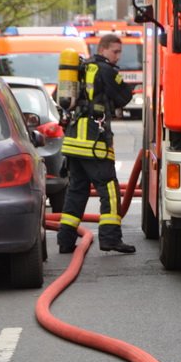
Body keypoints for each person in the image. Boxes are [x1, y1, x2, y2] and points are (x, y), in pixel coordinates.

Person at [57, 34, 137, 254]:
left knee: (76, 191)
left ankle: (65, 241)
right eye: (115, 51)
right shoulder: (106, 70)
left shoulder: (79, 70)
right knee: (110, 189)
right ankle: (110, 238)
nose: (118, 57)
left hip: (73, 140)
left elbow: (60, 97)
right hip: (93, 141)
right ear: (103, 50)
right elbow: (124, 98)